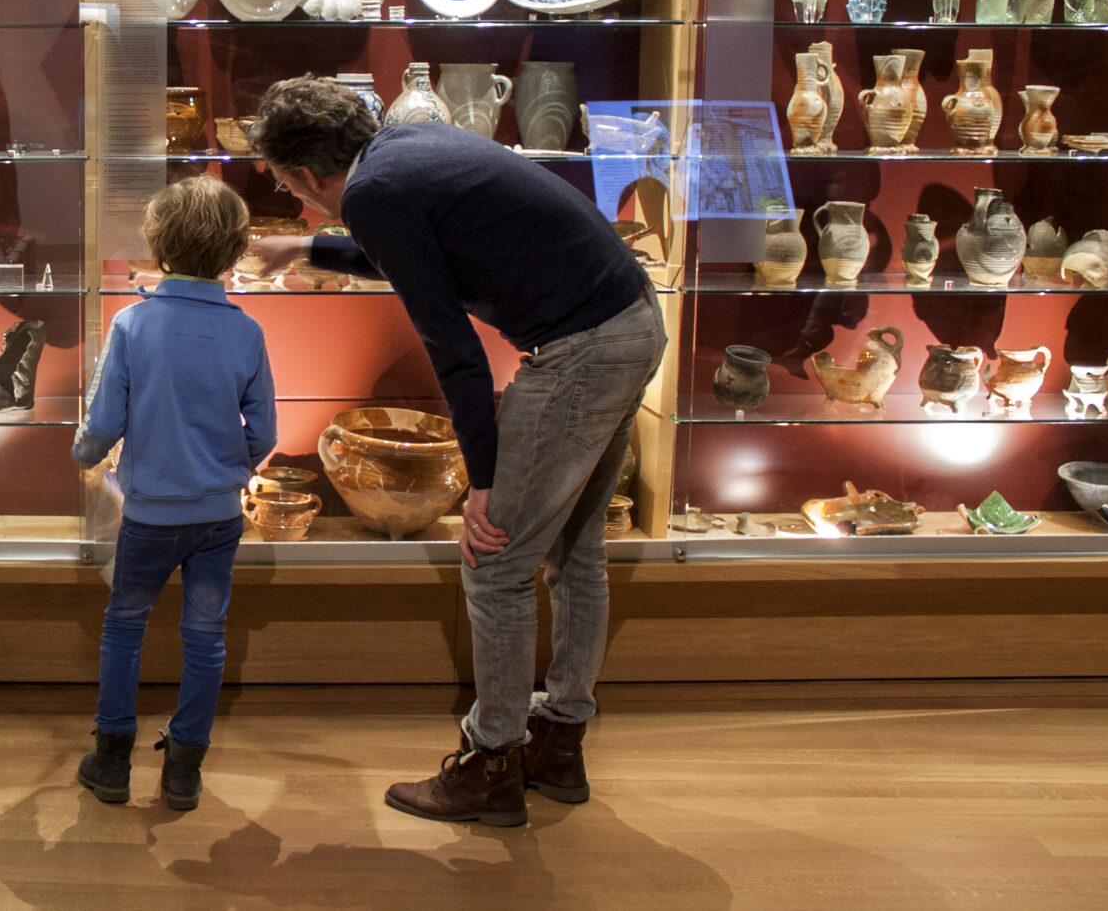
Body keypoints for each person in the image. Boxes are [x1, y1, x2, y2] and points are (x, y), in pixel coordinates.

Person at [248, 76, 665, 828]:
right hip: (631, 323)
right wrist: (304, 245)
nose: (300, 201)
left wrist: (484, 477)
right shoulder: (402, 152)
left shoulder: (373, 191)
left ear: (309, 174)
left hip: (579, 353)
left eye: (290, 189)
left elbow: (454, 348)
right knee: (575, 551)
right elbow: (418, 257)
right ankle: (559, 741)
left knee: (495, 559)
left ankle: (492, 764)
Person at [71, 175, 277, 811]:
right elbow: (264, 431)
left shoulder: (132, 324)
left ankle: (111, 762)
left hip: (149, 517)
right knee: (205, 637)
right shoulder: (246, 331)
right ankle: (183, 769)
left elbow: (104, 423)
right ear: (235, 250)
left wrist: (83, 456)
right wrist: (228, 468)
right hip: (218, 517)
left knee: (124, 630)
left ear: (157, 244)